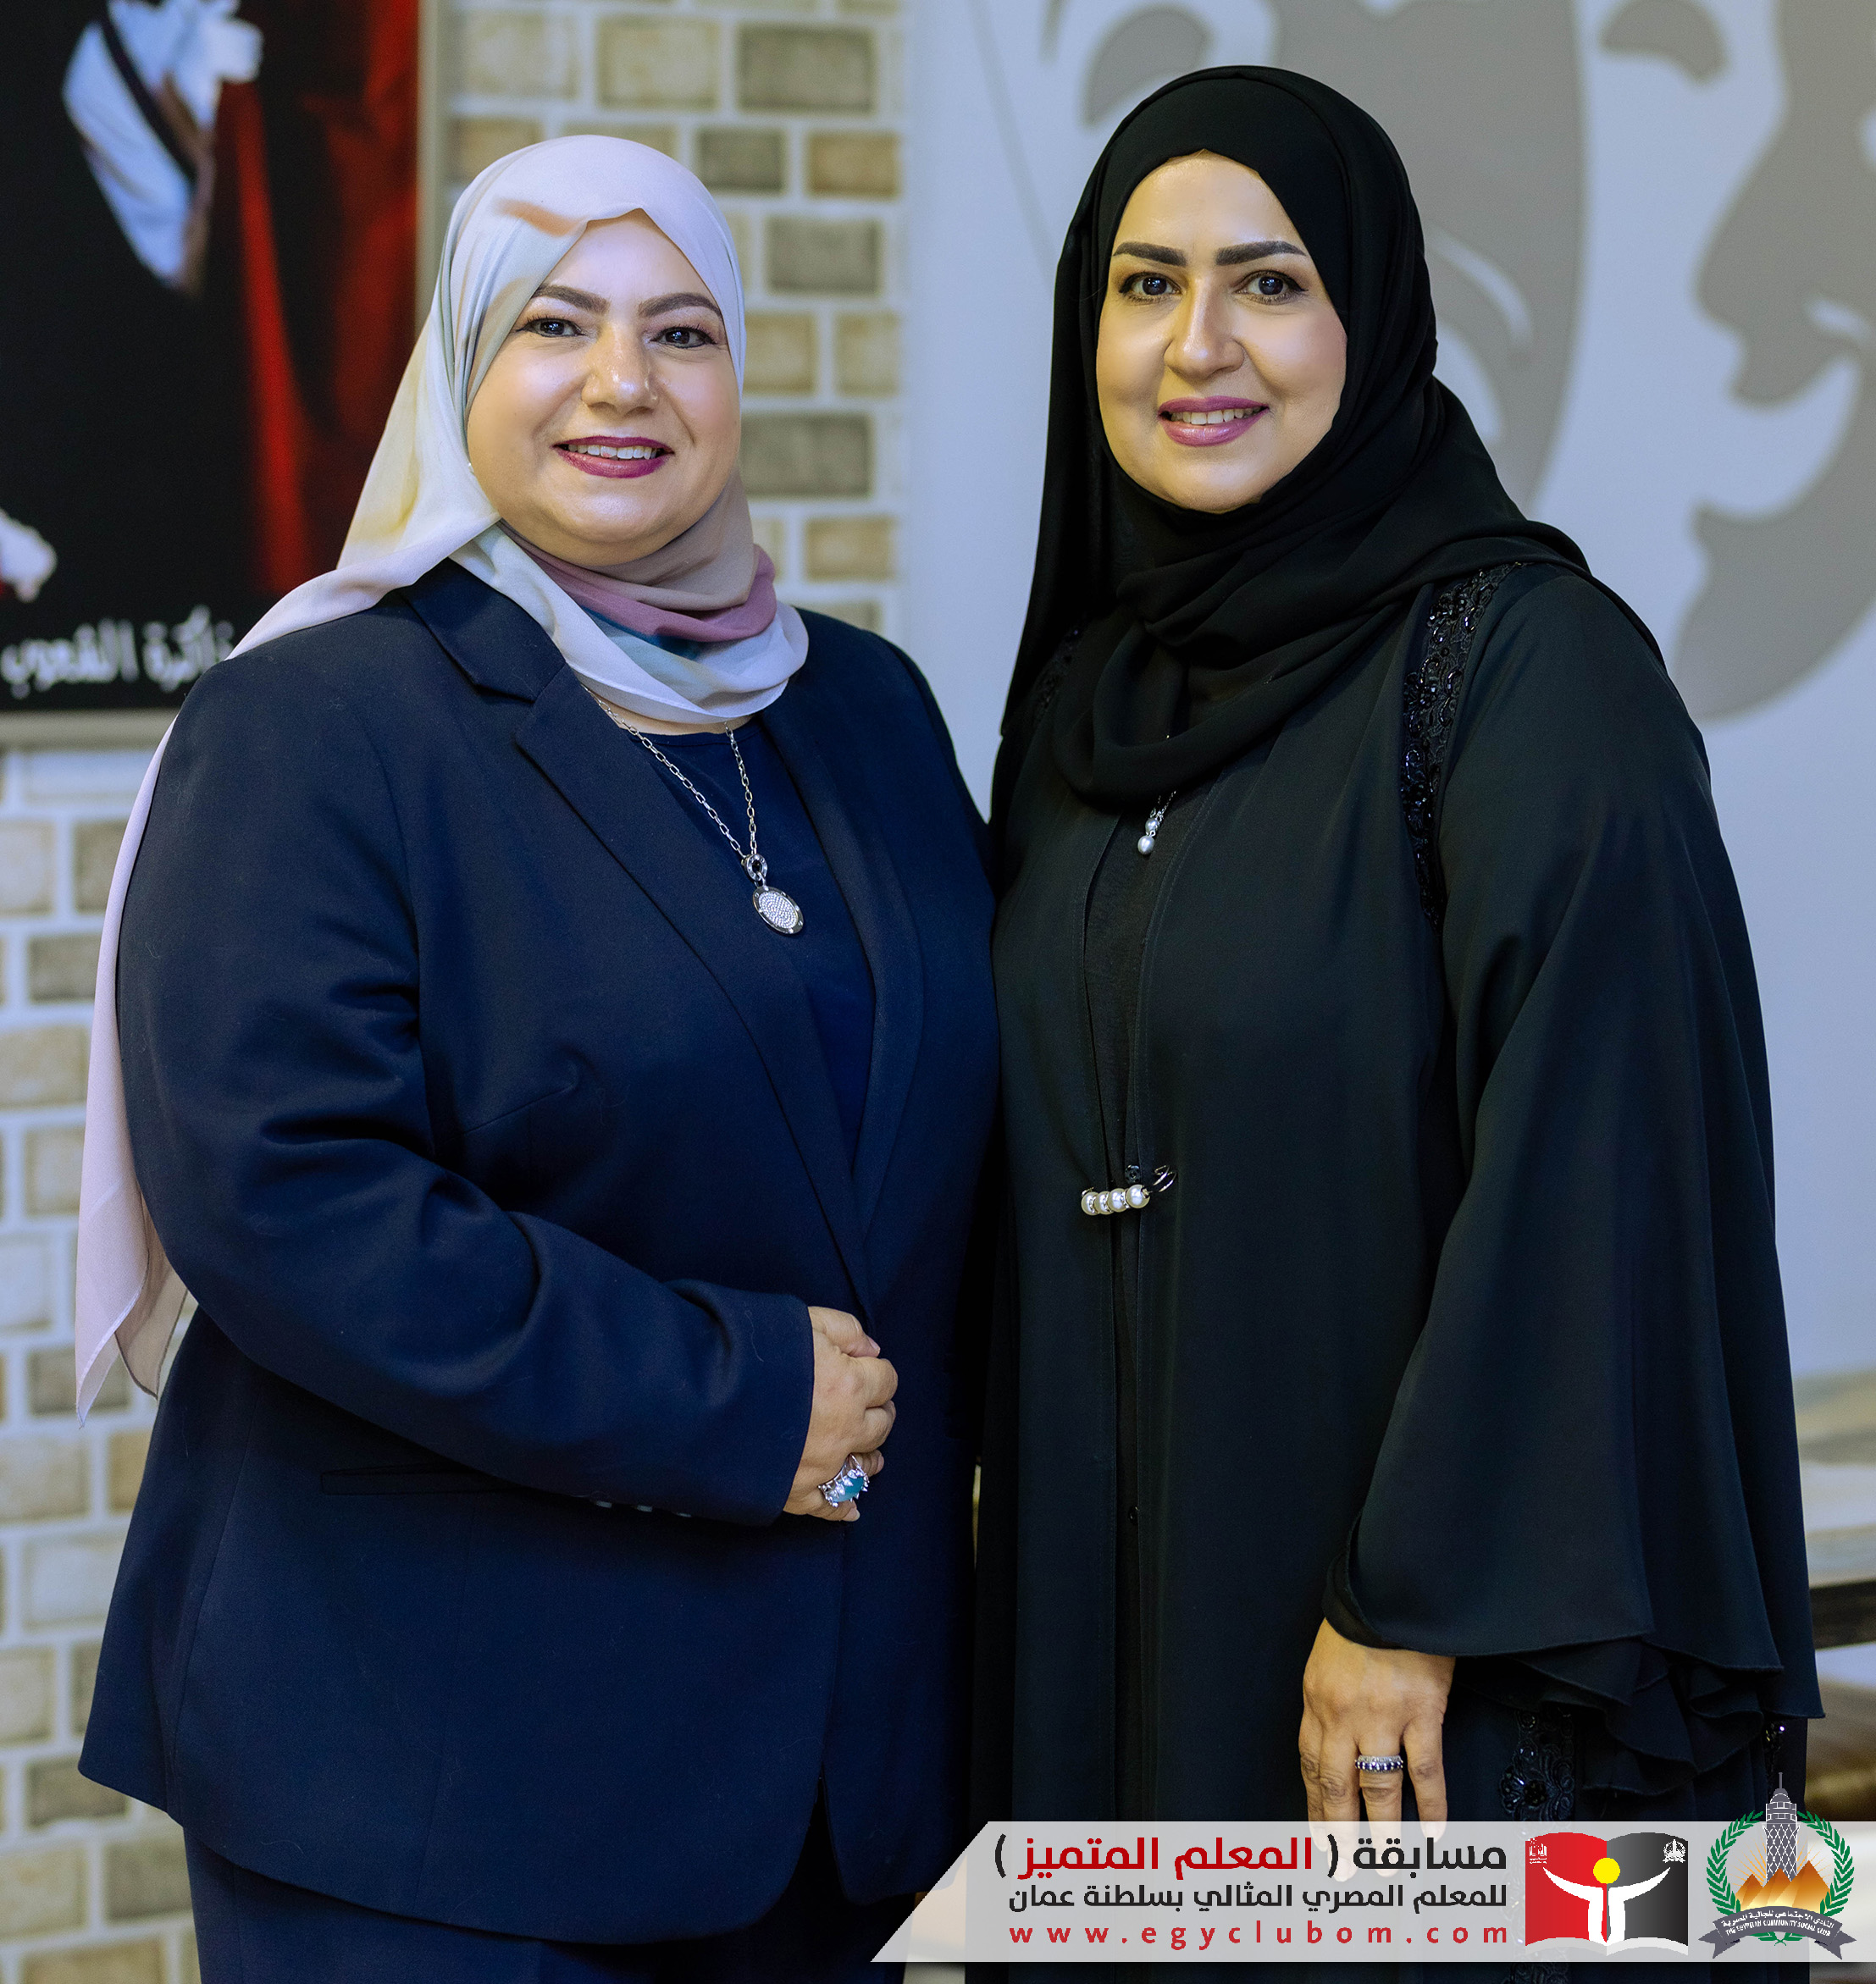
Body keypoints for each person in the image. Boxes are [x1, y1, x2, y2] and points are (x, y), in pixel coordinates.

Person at [75, 135, 998, 1982]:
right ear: (461, 368)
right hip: (437, 1780)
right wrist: (735, 1399)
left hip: (838, 1780)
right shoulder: (317, 720)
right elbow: (288, 1202)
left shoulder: (867, 711)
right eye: (554, 325)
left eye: (681, 330)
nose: (620, 381)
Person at [974, 66, 1817, 1977]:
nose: (1197, 345)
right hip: (1112, 1627)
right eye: (1143, 285)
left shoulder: (1525, 672)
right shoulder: (1088, 703)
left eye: (1268, 283)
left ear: (1373, 315)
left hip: (1415, 1678)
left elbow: (1601, 1161)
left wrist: (1415, 1597)